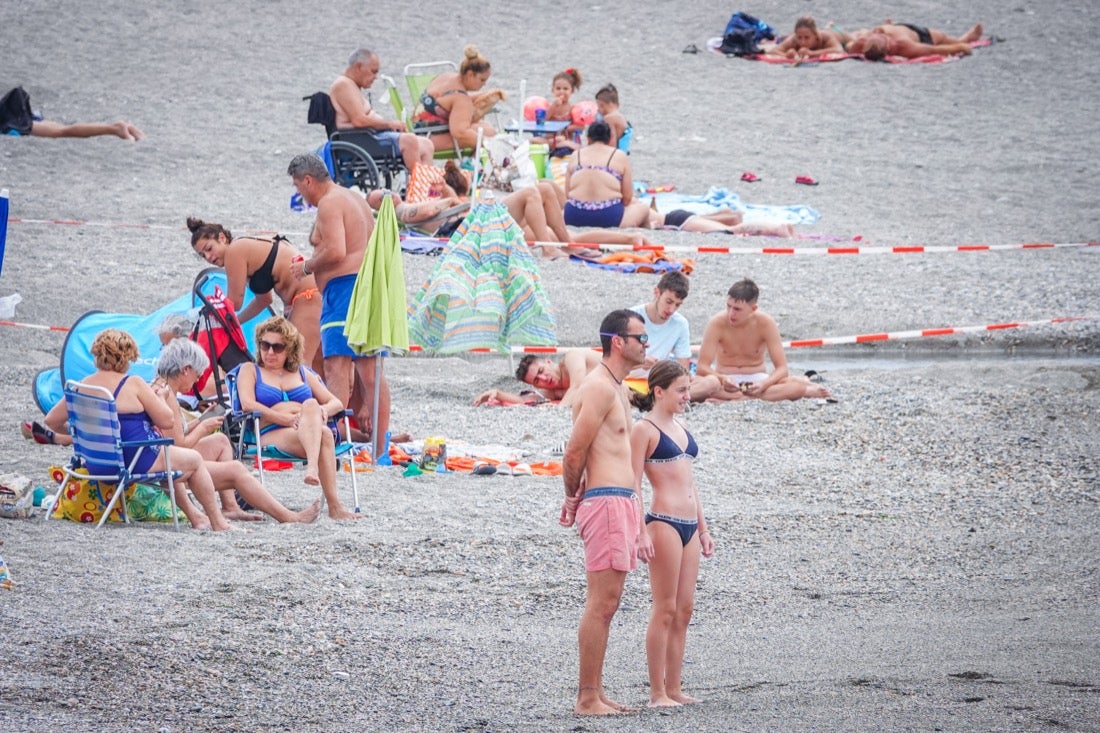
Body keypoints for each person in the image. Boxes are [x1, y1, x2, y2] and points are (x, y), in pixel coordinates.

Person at [40, 329, 236, 531]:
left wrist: (80, 435)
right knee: (193, 459)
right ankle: (218, 522)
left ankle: (197, 518)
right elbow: (167, 420)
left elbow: (51, 420)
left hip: (96, 463)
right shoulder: (133, 384)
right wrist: (160, 399)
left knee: (171, 456)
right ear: (127, 357)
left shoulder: (81, 385)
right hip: (134, 459)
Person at [559, 309, 654, 716]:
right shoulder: (599, 387)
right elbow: (574, 450)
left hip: (619, 499)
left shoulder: (616, 386)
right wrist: (570, 497)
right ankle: (586, 697)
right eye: (641, 338)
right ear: (619, 341)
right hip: (606, 501)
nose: (645, 345)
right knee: (601, 602)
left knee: (609, 603)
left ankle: (595, 691)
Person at [155, 337, 322, 524]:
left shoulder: (161, 387)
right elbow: (178, 445)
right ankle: (288, 517)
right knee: (236, 469)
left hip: (162, 456)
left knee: (221, 441)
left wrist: (203, 419)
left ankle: (231, 507)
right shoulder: (166, 395)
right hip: (167, 463)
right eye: (197, 373)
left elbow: (173, 433)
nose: (198, 379)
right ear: (185, 370)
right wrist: (203, 428)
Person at [287, 152, 391, 446]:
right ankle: (379, 449)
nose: (299, 193)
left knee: (336, 366)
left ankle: (332, 444)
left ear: (308, 180)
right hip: (367, 286)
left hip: (345, 289)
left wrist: (305, 266)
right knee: (370, 370)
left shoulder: (329, 203)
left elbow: (336, 251)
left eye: (298, 186)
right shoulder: (352, 198)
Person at [629, 360, 714, 707]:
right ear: (659, 391)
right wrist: (639, 532)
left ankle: (675, 688)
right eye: (681, 390)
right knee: (664, 608)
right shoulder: (644, 431)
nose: (687, 396)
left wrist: (704, 528)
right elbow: (632, 483)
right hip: (662, 522)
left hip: (690, 526)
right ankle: (656, 693)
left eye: (688, 389)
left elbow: (691, 482)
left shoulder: (682, 425)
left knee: (685, 608)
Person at [234, 317, 362, 521]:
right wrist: (284, 419)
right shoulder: (250, 370)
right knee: (325, 434)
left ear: (290, 349)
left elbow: (335, 402)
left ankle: (314, 470)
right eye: (265, 345)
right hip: (270, 432)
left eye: (277, 347)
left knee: (313, 408)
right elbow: (247, 404)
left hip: (305, 431)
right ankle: (334, 505)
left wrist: (323, 411)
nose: (270, 352)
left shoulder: (302, 373)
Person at [188, 218, 323, 372]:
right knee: (319, 367)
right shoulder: (246, 251)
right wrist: (234, 323)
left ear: (222, 238)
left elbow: (234, 303)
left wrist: (211, 318)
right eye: (203, 255)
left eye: (209, 248)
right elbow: (264, 300)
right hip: (312, 294)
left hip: (307, 295)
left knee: (297, 365)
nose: (209, 257)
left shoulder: (235, 251)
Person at [696, 278, 832, 401]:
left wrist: (763, 384)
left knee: (794, 386)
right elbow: (702, 367)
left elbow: (782, 368)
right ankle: (800, 391)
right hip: (725, 380)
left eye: (737, 309)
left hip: (757, 378)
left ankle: (741, 397)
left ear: (753, 309)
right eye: (728, 306)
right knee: (706, 385)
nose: (731, 313)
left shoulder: (766, 323)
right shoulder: (716, 323)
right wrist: (722, 378)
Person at [329, 48, 434, 172]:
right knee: (409, 140)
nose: (375, 77)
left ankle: (427, 186)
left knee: (426, 144)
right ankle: (418, 185)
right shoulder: (343, 85)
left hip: (368, 137)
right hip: (360, 140)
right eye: (373, 72)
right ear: (358, 67)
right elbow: (359, 120)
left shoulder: (351, 85)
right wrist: (389, 124)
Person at [628, 271, 721, 402]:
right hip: (628, 380)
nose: (671, 310)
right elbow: (614, 359)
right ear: (657, 293)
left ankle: (655, 400)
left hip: (659, 382)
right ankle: (661, 401)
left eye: (677, 305)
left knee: (713, 382)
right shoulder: (631, 316)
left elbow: (683, 367)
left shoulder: (680, 323)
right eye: (668, 301)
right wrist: (639, 362)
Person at [414, 45, 503, 152]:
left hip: (415, 131)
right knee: (487, 131)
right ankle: (472, 163)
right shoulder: (460, 98)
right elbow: (460, 133)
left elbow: (446, 102)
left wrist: (483, 97)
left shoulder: (445, 77)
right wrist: (493, 145)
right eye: (482, 80)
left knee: (483, 127)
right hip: (428, 140)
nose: (484, 84)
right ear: (470, 74)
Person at [564, 121, 649, 229]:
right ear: (609, 139)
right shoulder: (619, 155)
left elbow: (567, 194)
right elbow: (627, 197)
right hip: (608, 216)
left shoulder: (576, 155)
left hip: (574, 215)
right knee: (643, 208)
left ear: (588, 139)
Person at [1, 86, 144, 140]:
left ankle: (115, 129)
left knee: (62, 131)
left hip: (7, 118)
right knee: (62, 130)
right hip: (9, 114)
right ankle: (115, 129)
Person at [473, 349, 603, 407]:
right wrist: (497, 393)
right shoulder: (552, 392)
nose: (543, 378)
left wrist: (560, 408)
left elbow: (578, 384)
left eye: (541, 371)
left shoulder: (572, 357)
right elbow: (522, 400)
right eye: (537, 380)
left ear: (548, 362)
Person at [847, 21, 983, 60]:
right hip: (892, 29)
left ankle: (965, 38)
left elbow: (934, 49)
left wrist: (961, 47)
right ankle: (887, 24)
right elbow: (848, 45)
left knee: (943, 38)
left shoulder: (904, 46)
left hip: (919, 34)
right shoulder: (862, 42)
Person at [649, 205, 796, 238]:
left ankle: (777, 229)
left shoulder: (633, 208)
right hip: (675, 217)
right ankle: (779, 229)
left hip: (674, 220)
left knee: (730, 230)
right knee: (727, 227)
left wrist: (655, 228)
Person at [767, 16, 845, 59]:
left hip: (842, 36)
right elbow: (773, 51)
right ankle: (829, 25)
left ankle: (831, 26)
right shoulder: (794, 39)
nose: (802, 42)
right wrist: (786, 55)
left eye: (807, 38)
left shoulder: (825, 36)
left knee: (852, 45)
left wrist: (812, 53)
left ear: (815, 35)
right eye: (799, 38)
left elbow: (839, 50)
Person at [546, 68, 583, 154]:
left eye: (565, 89)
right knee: (534, 140)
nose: (562, 91)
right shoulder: (551, 106)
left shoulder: (572, 108)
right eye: (558, 89)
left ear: (572, 91)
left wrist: (566, 128)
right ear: (553, 90)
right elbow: (543, 120)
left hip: (566, 140)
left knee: (561, 139)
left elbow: (581, 126)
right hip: (551, 139)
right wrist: (553, 107)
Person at [594, 84, 632, 151]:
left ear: (601, 104)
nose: (598, 110)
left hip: (614, 157)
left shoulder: (609, 119)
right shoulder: (622, 117)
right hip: (622, 156)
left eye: (598, 106)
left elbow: (611, 144)